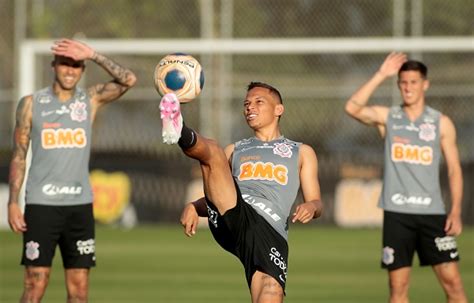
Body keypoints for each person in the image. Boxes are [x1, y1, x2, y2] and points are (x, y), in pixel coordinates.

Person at [160, 82, 323, 302]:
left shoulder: (301, 151)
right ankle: (179, 129)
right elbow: (220, 190)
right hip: (234, 213)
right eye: (246, 104)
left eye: (258, 102)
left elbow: (316, 201)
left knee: (270, 294)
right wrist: (194, 206)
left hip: (269, 230)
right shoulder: (236, 149)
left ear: (279, 109)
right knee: (214, 153)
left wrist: (311, 207)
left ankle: (180, 129)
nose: (249, 107)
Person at [7, 38, 137, 303]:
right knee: (35, 282)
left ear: (82, 70)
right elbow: (19, 155)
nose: (70, 70)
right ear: (54, 65)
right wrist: (12, 202)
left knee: (79, 289)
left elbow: (129, 80)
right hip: (42, 204)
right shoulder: (32, 104)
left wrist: (93, 54)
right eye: (65, 64)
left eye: (77, 65)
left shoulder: (89, 100)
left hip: (79, 205)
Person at [345, 52, 467, 303]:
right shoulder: (389, 118)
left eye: (413, 82)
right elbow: (352, 107)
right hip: (397, 213)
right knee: (398, 287)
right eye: (403, 82)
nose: (408, 87)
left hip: (433, 214)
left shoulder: (441, 123)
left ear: (425, 84)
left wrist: (455, 211)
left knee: (453, 284)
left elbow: (454, 169)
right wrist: (381, 74)